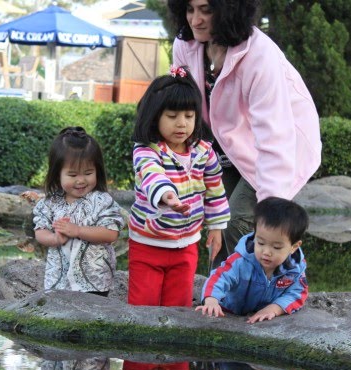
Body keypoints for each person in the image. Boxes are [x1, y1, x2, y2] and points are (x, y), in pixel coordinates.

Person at [168, 0, 322, 265]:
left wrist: (272, 210)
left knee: (240, 219)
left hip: (282, 145)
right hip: (228, 144)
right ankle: (220, 285)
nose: (195, 20)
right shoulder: (185, 45)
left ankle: (259, 285)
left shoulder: (260, 56)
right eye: (190, 9)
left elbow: (275, 137)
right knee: (217, 218)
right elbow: (181, 107)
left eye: (206, 10)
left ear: (229, 10)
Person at [128, 65, 230, 307]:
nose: (182, 124)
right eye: (172, 117)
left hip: (186, 245)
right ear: (155, 116)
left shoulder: (203, 151)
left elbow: (215, 189)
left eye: (189, 116)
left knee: (179, 307)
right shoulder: (147, 150)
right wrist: (167, 196)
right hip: (148, 242)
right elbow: (152, 175)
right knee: (143, 306)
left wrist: (217, 227)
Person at [33, 127, 125, 296]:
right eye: (73, 175)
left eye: (88, 173)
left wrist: (78, 231)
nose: (81, 180)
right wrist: (54, 239)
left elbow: (111, 233)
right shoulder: (51, 202)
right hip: (58, 280)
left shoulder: (102, 201)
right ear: (57, 174)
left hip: (94, 281)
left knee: (93, 311)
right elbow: (40, 230)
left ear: (97, 170)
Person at [196, 197, 309, 324]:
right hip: (228, 312)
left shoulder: (294, 268)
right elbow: (219, 277)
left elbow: (298, 293)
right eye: (260, 243)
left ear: (294, 247)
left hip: (263, 321)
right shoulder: (241, 261)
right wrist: (211, 299)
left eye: (276, 247)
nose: (266, 252)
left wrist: (274, 308)